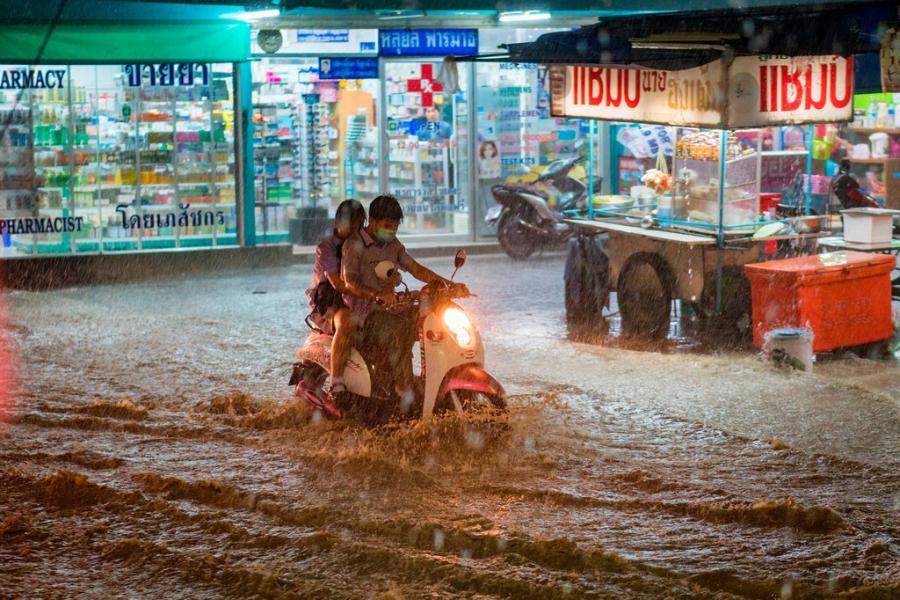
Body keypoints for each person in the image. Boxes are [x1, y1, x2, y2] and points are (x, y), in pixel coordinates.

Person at [341, 195, 462, 408]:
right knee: (400, 329)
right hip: (364, 316)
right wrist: (376, 295)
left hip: (391, 309)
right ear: (373, 220)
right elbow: (349, 283)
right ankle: (404, 389)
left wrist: (447, 286)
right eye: (387, 226)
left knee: (431, 319)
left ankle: (434, 380)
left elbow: (415, 269)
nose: (391, 232)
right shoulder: (354, 245)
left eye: (395, 228)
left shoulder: (394, 245)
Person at [305, 199, 367, 405]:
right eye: (351, 224)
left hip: (355, 299)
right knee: (347, 321)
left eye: (359, 225)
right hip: (329, 303)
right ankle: (336, 382)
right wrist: (371, 293)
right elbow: (338, 284)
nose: (354, 230)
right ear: (338, 221)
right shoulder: (327, 245)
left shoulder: (363, 243)